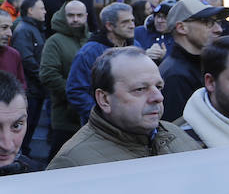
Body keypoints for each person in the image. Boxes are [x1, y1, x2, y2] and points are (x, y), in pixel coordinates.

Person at [47, 48, 211, 169]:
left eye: (158, 87)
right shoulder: (72, 163)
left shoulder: (177, 134)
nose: (158, 97)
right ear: (104, 99)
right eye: (140, 89)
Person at [158, 0, 229, 122]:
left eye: (218, 23)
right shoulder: (176, 75)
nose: (218, 29)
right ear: (181, 28)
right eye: (208, 23)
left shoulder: (199, 65)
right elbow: (175, 132)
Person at [66, 2, 135, 125]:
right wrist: (102, 115)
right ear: (109, 26)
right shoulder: (89, 52)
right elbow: (75, 91)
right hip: (101, 126)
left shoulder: (135, 48)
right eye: (125, 22)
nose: (132, 26)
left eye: (132, 21)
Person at [38, 1, 88, 155]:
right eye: (71, 15)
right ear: (63, 17)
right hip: (64, 116)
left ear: (86, 17)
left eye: (79, 15)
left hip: (89, 115)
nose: (75, 19)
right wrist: (76, 95)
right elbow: (48, 74)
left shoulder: (91, 39)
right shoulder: (55, 41)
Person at [11, 0, 47, 157]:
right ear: (31, 11)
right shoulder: (24, 29)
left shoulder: (35, 28)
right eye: (41, 8)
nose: (45, 11)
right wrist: (42, 77)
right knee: (27, 125)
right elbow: (26, 59)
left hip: (36, 88)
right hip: (30, 88)